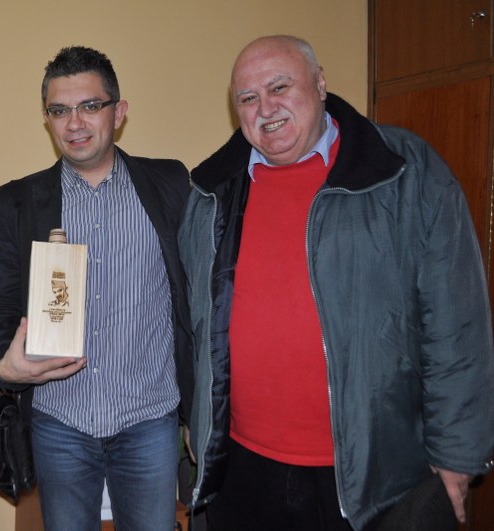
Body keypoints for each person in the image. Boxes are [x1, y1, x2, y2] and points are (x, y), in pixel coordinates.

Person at [178, 35, 494, 531]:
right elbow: (193, 325)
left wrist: (458, 452)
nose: (266, 108)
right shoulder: (210, 192)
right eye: (248, 97)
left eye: (280, 87)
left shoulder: (405, 171)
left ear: (320, 82)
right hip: (242, 467)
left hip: (372, 475)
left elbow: (456, 321)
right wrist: (198, 424)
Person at [0, 46, 193, 531]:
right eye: (59, 110)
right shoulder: (18, 200)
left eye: (90, 106)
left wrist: (199, 411)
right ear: (47, 120)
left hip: (150, 419)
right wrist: (3, 365)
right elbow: (3, 302)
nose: (74, 123)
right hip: (60, 421)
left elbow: (195, 297)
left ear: (119, 112)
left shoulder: (171, 184)